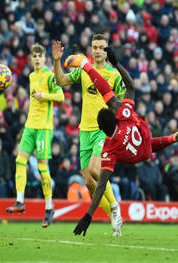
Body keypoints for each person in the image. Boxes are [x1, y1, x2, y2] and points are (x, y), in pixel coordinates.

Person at [65, 47, 178, 236]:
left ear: (102, 130)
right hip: (143, 138)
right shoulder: (123, 113)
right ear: (113, 115)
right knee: (145, 143)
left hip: (140, 151)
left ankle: (172, 138)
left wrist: (88, 215)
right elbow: (130, 86)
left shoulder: (109, 149)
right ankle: (173, 137)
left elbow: (102, 185)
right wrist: (116, 64)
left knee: (99, 173)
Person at [52, 35, 125, 234]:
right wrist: (57, 60)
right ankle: (114, 217)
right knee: (89, 182)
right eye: (95, 47)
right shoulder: (85, 71)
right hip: (84, 131)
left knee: (95, 170)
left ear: (107, 50)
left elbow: (124, 102)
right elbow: (60, 80)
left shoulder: (114, 75)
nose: (98, 50)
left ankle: (115, 207)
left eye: (102, 47)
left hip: (103, 130)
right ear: (91, 49)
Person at [5, 43, 64, 228]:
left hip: (44, 128)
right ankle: (20, 202)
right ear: (31, 59)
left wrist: (44, 95)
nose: (37, 59)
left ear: (45, 58)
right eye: (34, 56)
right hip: (29, 127)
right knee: (19, 161)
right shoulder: (31, 76)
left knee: (41, 168)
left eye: (40, 56)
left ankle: (49, 208)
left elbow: (61, 96)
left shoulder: (49, 75)